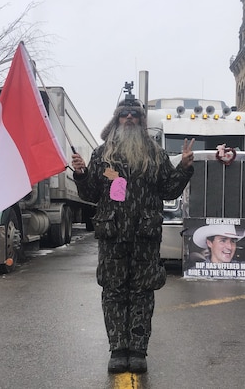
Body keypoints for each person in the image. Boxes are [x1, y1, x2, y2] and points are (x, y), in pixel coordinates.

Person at [71, 98, 194, 374]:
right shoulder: (102, 155)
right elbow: (90, 194)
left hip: (145, 235)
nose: (129, 118)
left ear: (141, 120)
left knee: (142, 292)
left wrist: (184, 168)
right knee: (113, 293)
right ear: (116, 120)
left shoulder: (155, 154)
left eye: (134, 115)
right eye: (124, 114)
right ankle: (118, 349)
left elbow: (169, 191)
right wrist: (81, 174)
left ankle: (137, 350)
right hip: (112, 235)